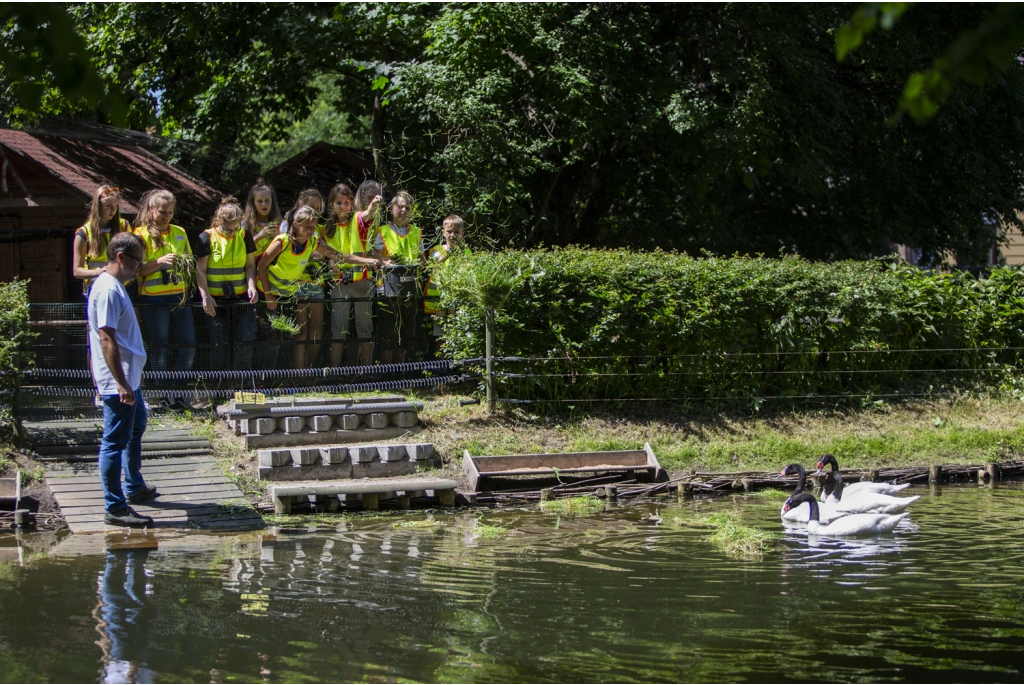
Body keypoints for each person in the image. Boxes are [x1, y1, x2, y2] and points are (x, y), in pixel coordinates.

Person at [87, 231, 156, 528]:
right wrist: (120, 383)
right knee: (114, 441)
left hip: (130, 378)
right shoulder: (108, 290)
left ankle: (134, 486)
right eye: (137, 262)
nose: (139, 269)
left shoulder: (114, 285)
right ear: (120, 257)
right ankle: (115, 507)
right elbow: (105, 338)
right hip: (121, 380)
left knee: (137, 425)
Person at [259, 205, 382, 368]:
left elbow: (340, 256)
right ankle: (263, 379)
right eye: (307, 227)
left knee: (286, 335)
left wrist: (369, 261)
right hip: (265, 292)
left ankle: (295, 377)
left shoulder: (313, 242)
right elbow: (261, 265)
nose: (311, 230)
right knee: (267, 335)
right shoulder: (282, 242)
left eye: (313, 226)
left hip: (285, 295)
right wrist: (268, 295)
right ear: (296, 225)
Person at [134, 189, 196, 406]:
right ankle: (162, 394)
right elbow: (138, 271)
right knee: (160, 347)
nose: (167, 215)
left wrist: (185, 264)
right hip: (153, 299)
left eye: (170, 212)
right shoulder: (140, 234)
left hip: (179, 296)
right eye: (162, 211)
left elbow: (190, 260)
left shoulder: (180, 232)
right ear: (151, 210)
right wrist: (160, 261)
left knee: (188, 345)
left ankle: (179, 391)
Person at [320, 183, 380, 367]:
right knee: (338, 330)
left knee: (365, 329)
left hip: (362, 282)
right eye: (338, 203)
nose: (343, 206)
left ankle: (367, 371)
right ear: (331, 205)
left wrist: (374, 204)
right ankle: (335, 372)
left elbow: (368, 214)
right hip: (339, 284)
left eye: (346, 202)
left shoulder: (357, 219)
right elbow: (324, 255)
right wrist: (330, 263)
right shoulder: (325, 228)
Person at [195, 197, 258, 371]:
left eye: (236, 228)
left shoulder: (244, 236)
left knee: (245, 343)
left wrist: (252, 286)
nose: (232, 233)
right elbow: (199, 270)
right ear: (219, 222)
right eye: (228, 230)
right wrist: (205, 296)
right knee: (220, 345)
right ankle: (219, 388)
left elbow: (251, 265)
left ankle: (242, 385)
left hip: (241, 299)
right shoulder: (206, 237)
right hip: (215, 302)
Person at [279, 189, 327, 366]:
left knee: (316, 332)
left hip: (316, 283)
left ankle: (310, 370)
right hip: (296, 284)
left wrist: (320, 256)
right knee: (301, 331)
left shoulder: (318, 228)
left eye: (317, 208)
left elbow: (325, 252)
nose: (314, 211)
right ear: (300, 204)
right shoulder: (286, 225)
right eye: (310, 206)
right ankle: (299, 374)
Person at [376, 190, 424, 364]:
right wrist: (384, 260)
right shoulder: (382, 231)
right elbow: (372, 252)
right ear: (391, 208)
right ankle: (386, 370)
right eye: (400, 206)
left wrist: (419, 263)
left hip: (410, 288)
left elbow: (422, 257)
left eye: (408, 207)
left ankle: (400, 367)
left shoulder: (417, 232)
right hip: (388, 287)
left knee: (407, 330)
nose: (404, 210)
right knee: (388, 329)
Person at [72, 185, 131, 298]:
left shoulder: (124, 226)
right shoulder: (83, 232)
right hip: (97, 287)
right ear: (98, 206)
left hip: (123, 287)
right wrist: (99, 272)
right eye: (108, 206)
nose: (113, 210)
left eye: (115, 206)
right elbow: (77, 271)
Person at [424, 215, 469, 340]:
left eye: (456, 232)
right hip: (439, 298)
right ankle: (441, 359)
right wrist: (449, 254)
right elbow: (434, 266)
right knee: (440, 333)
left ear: (462, 233)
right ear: (443, 232)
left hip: (458, 296)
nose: (452, 235)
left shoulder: (466, 252)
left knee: (457, 330)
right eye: (449, 232)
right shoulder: (436, 250)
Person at [242, 178, 281, 265]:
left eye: (267, 200)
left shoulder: (282, 224)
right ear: (253, 203)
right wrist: (259, 236)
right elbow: (240, 250)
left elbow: (287, 253)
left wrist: (277, 238)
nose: (264, 204)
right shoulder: (245, 224)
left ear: (272, 201)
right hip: (250, 270)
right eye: (260, 201)